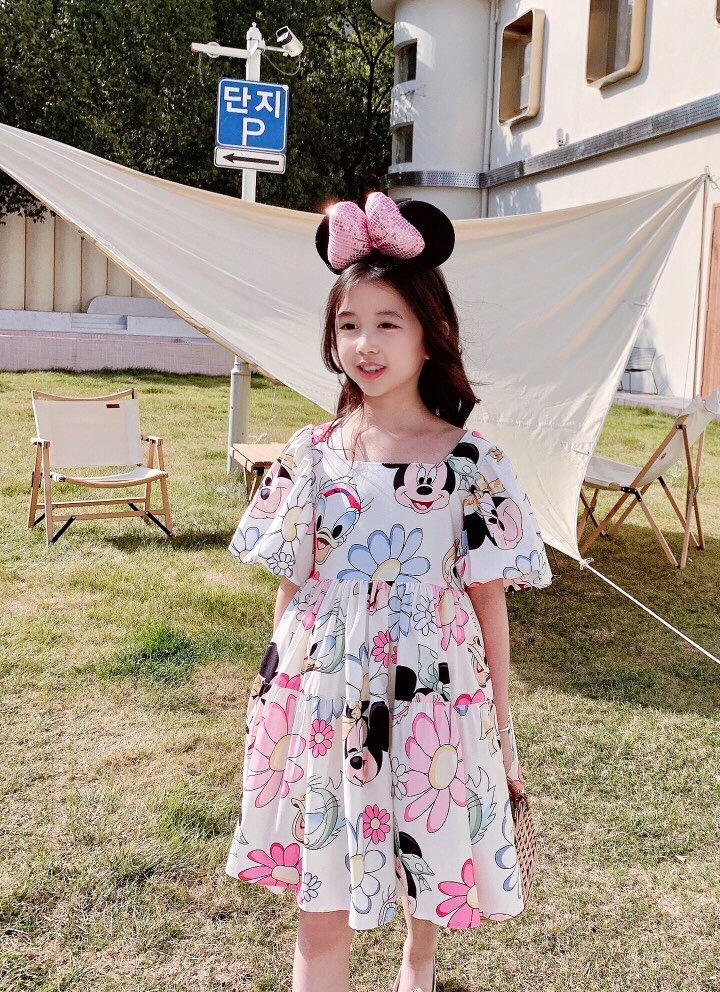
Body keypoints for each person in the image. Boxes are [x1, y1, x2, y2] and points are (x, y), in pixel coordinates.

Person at [224, 191, 554, 992]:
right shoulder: (309, 454)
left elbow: (488, 602)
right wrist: (271, 701)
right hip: (326, 699)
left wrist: (501, 724)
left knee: (427, 848)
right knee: (319, 906)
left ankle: (419, 960)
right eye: (348, 325)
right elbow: (292, 588)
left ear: (431, 333)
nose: (364, 344)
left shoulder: (470, 463)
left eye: (387, 323)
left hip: (433, 695)